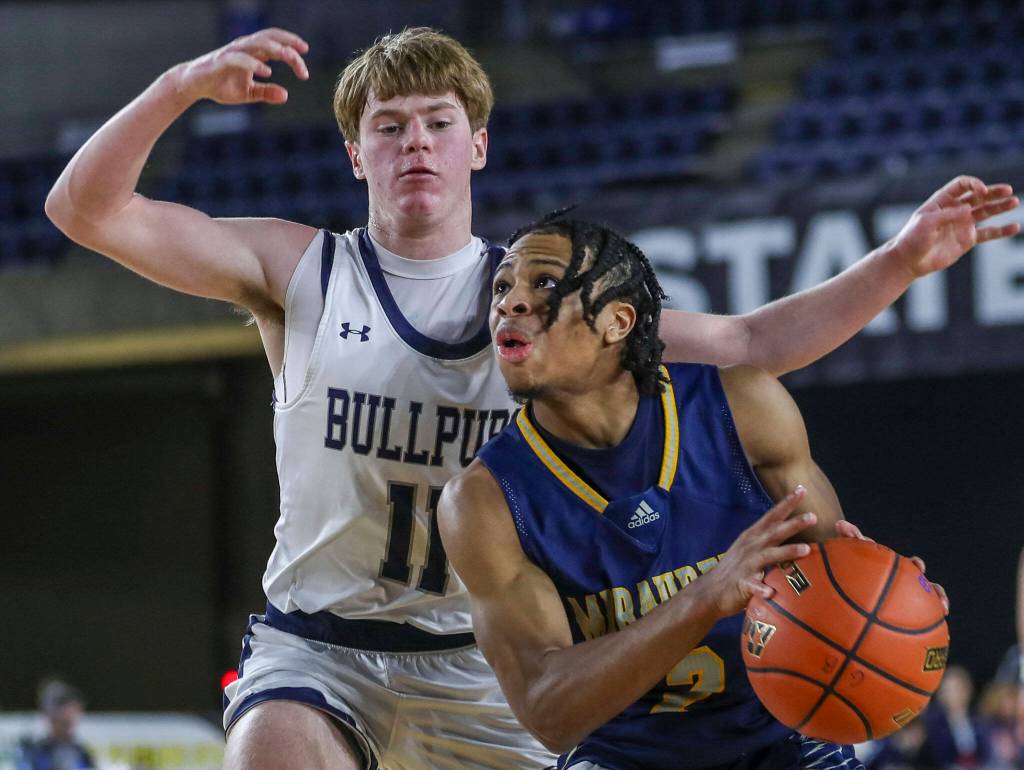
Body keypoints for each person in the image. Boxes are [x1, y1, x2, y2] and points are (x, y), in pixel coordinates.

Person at [44, 24, 1001, 770]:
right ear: (355, 155)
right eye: (388, 127)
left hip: (491, 656)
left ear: (479, 146)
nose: (414, 143)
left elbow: (752, 343)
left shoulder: (550, 301)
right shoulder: (300, 269)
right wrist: (178, 89)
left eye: (437, 124)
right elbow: (83, 209)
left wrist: (901, 260)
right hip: (320, 643)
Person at [438, 213, 948, 770]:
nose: (510, 302)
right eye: (503, 286)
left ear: (617, 321)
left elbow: (832, 575)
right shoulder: (484, 501)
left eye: (545, 284)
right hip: (624, 756)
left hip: (781, 740)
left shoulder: (743, 407)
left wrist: (893, 608)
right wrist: (706, 597)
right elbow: (548, 715)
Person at [16, 680, 95, 770]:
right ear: (50, 717)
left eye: (69, 723)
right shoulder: (35, 753)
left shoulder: (82, 753)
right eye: (64, 723)